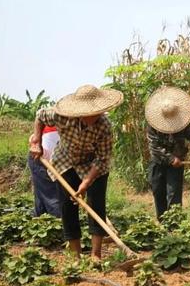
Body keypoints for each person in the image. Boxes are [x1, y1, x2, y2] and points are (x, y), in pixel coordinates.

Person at [29, 84, 123, 260]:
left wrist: (86, 182)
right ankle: (75, 254)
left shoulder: (104, 126)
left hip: (94, 164)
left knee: (96, 203)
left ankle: (96, 254)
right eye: (89, 113)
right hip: (66, 160)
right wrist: (37, 140)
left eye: (96, 112)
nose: (93, 116)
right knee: (67, 205)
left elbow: (103, 158)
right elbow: (39, 116)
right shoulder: (62, 116)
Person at [144, 86, 190, 220]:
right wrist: (170, 158)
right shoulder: (153, 125)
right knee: (159, 193)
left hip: (177, 164)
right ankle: (163, 225)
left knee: (174, 195)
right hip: (158, 162)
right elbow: (154, 146)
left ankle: (175, 225)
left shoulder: (184, 123)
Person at [28, 125, 61, 217]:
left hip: (56, 159)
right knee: (52, 198)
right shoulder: (55, 116)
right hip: (41, 157)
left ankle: (41, 216)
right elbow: (40, 116)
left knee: (45, 195)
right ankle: (56, 223)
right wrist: (36, 140)